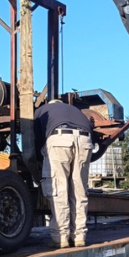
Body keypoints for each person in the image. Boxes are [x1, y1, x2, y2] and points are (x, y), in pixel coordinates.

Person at [35, 99, 94, 248]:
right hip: (85, 140)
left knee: (58, 188)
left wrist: (37, 159)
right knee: (79, 190)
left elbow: (36, 139)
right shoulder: (75, 110)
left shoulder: (42, 110)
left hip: (59, 139)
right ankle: (79, 236)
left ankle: (61, 237)